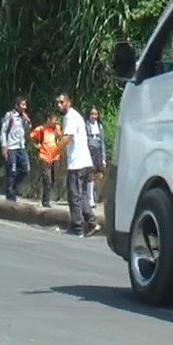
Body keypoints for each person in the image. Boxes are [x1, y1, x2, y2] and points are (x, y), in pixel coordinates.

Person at [56, 93, 97, 237]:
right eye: (58, 103)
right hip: (85, 162)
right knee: (84, 196)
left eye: (62, 102)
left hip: (77, 164)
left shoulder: (70, 117)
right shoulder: (76, 116)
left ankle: (77, 227)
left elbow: (68, 137)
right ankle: (92, 223)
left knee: (74, 196)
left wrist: (55, 152)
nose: (59, 105)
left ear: (68, 102)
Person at [0, 96, 31, 203]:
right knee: (11, 171)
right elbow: (3, 131)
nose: (24, 107)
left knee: (25, 169)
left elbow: (27, 130)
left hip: (21, 147)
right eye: (22, 105)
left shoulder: (23, 117)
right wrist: (4, 146)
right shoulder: (10, 116)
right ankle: (10, 195)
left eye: (25, 105)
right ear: (17, 106)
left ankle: (12, 186)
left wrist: (27, 122)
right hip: (11, 147)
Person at [28, 113, 62, 207]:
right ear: (48, 119)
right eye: (54, 120)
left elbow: (61, 138)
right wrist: (35, 145)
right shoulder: (41, 129)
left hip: (55, 157)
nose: (55, 122)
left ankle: (46, 197)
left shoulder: (57, 129)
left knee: (53, 178)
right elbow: (31, 137)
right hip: (44, 156)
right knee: (47, 179)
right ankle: (46, 200)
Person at [86, 107, 106, 209]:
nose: (94, 117)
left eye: (95, 114)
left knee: (99, 175)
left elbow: (102, 143)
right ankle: (90, 200)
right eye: (92, 114)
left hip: (97, 153)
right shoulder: (85, 125)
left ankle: (91, 194)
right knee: (90, 175)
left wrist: (103, 158)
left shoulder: (100, 126)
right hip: (89, 152)